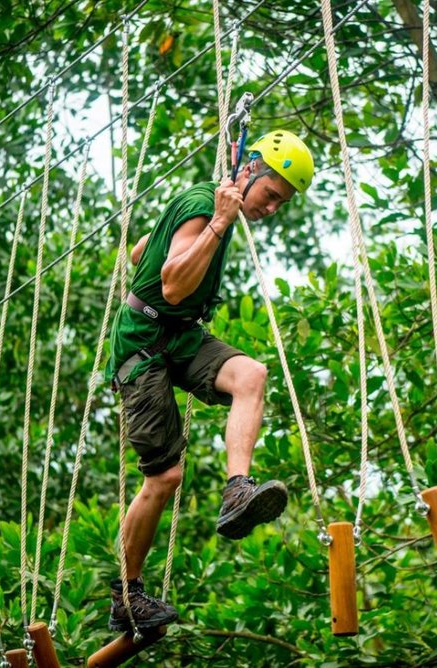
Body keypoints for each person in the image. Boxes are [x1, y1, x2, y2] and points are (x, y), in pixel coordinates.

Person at [102, 130, 315, 632]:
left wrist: (169, 242)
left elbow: (140, 255)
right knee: (166, 477)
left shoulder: (204, 207)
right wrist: (216, 221)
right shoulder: (208, 207)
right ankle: (126, 596)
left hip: (176, 336)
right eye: (270, 195)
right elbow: (174, 286)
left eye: (281, 203)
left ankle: (237, 489)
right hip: (143, 343)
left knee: (251, 375)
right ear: (250, 169)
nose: (271, 208)